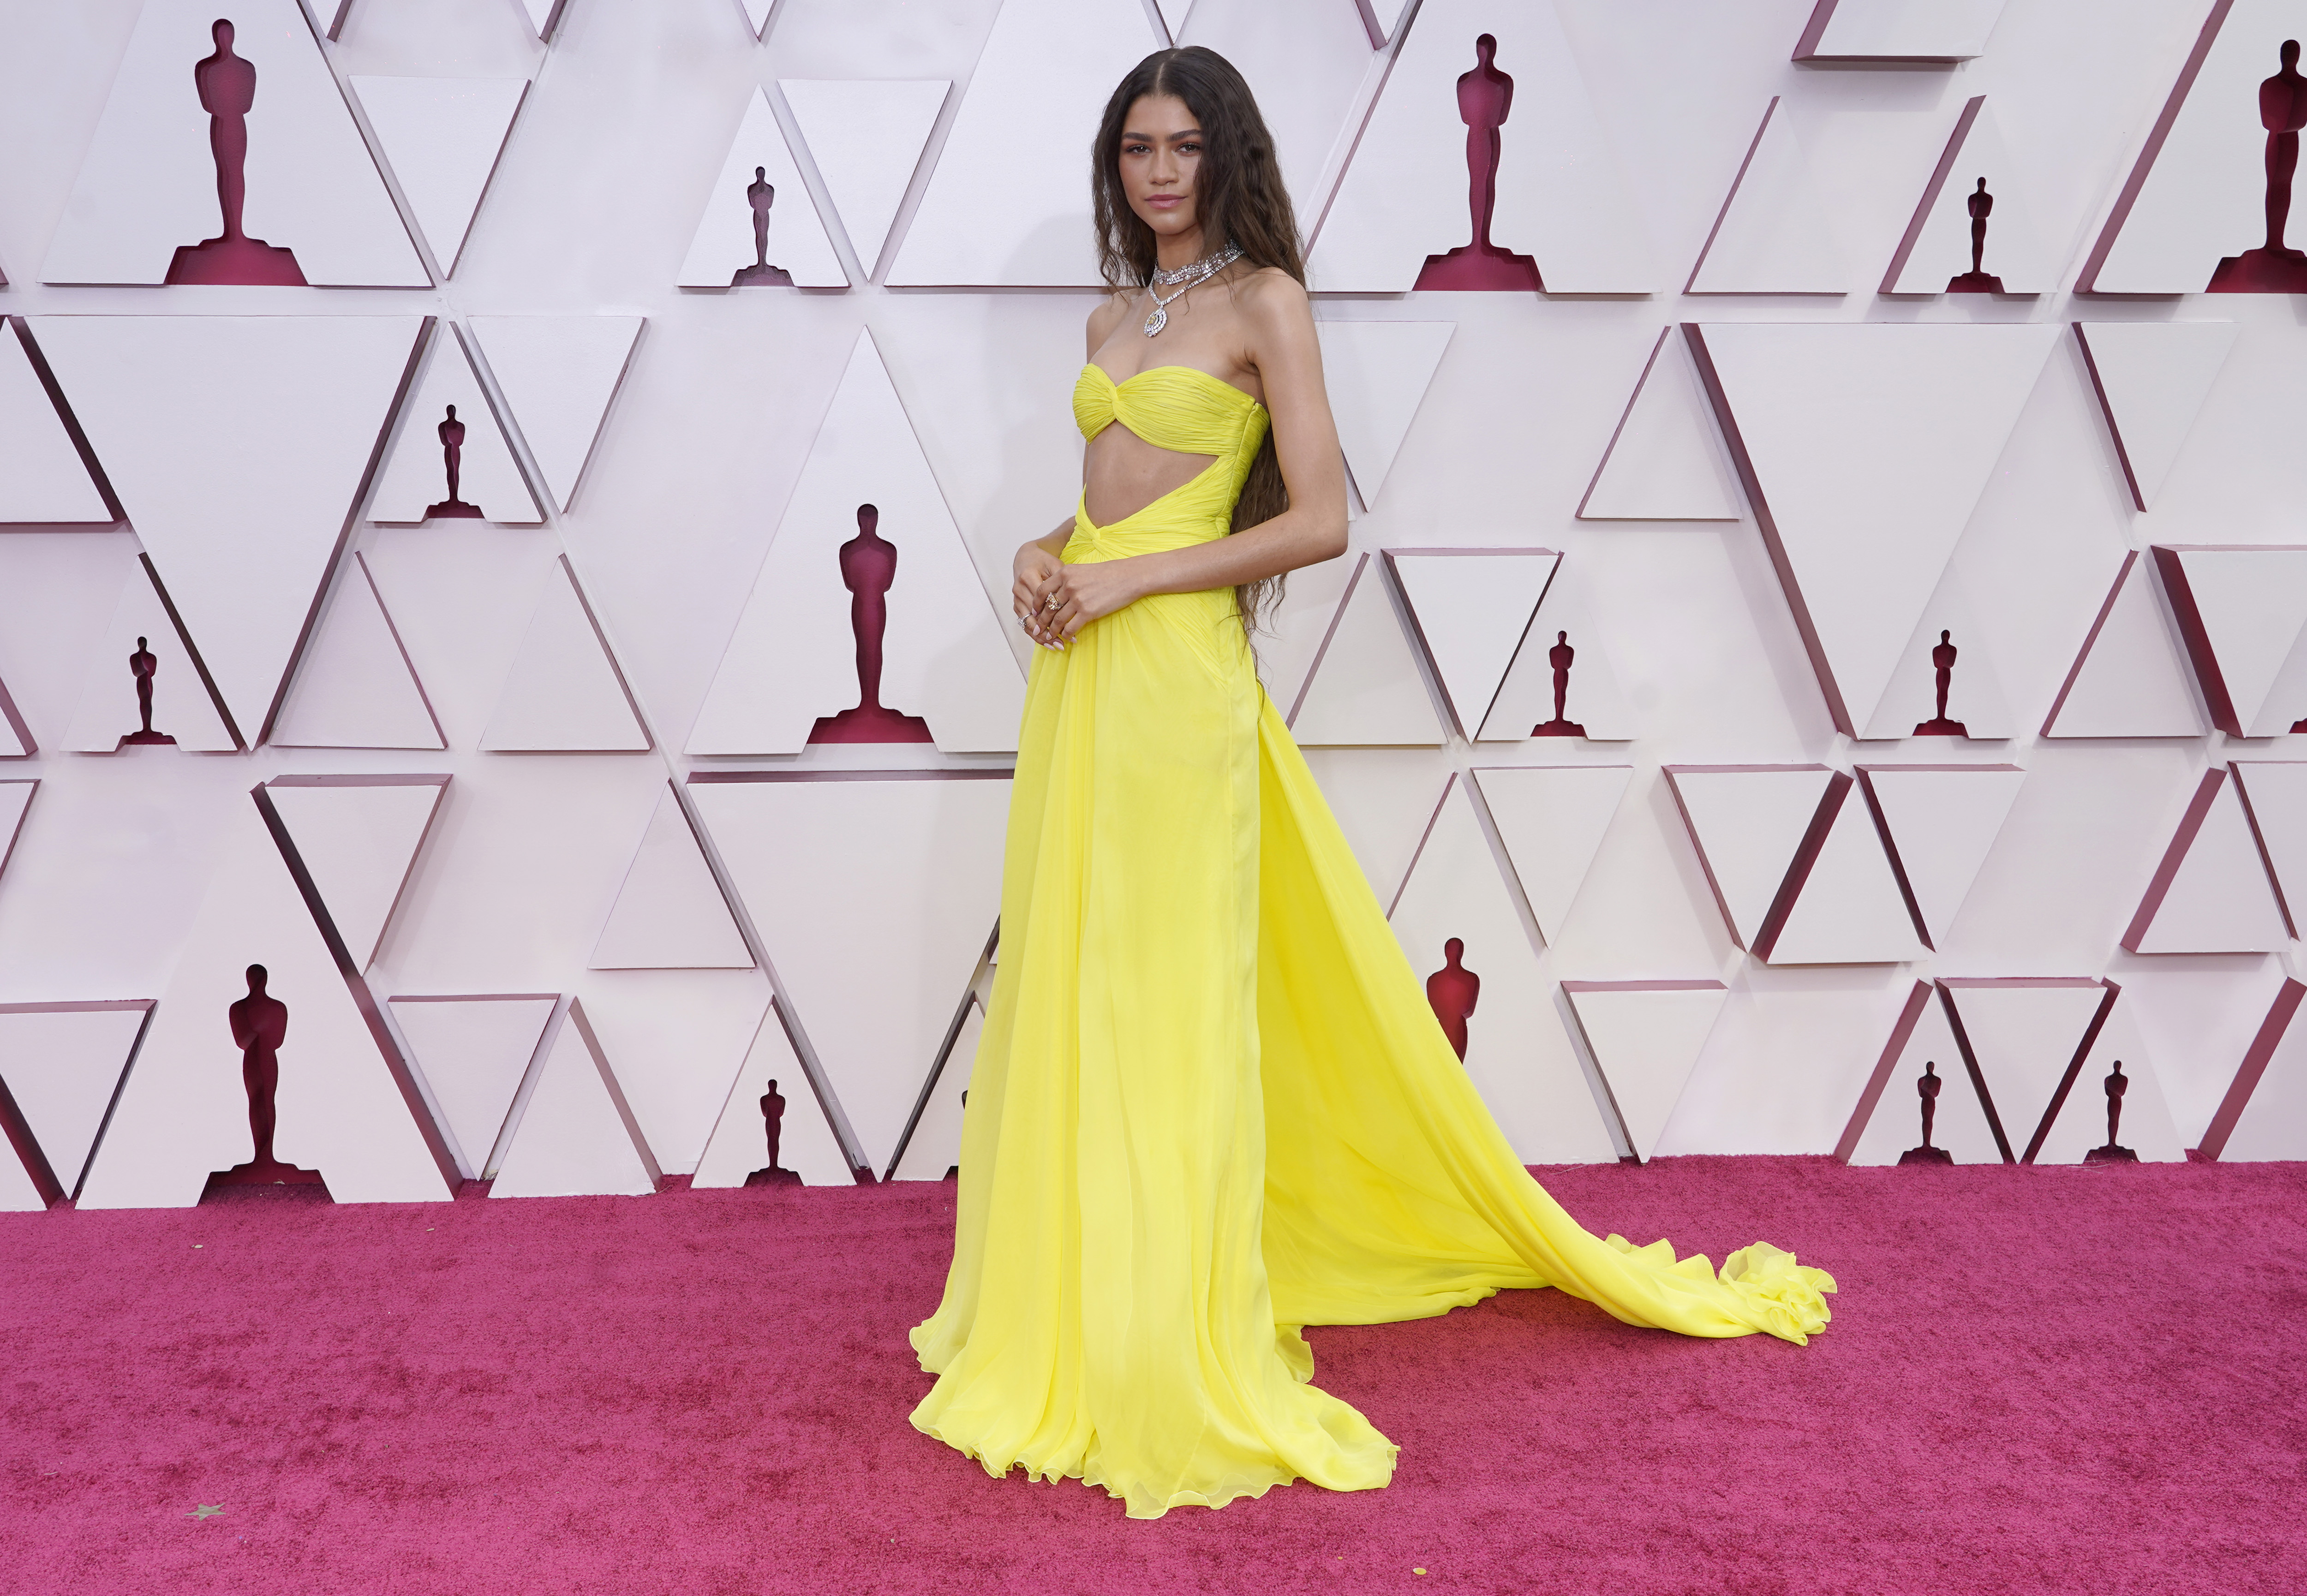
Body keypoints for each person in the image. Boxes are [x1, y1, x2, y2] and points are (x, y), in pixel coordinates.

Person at [907, 46, 1834, 1520]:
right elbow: (1107, 506)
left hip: (1177, 684)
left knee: (1173, 994)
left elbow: (1321, 520)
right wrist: (1046, 553)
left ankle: (1171, 1322)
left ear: (1226, 158)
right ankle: (1070, 1297)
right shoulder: (1108, 314)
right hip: (1082, 683)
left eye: (1181, 146)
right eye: (1136, 148)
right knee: (1079, 983)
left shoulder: (1264, 303)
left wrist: (1139, 590)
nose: (1157, 172)